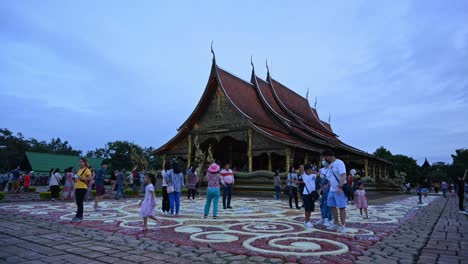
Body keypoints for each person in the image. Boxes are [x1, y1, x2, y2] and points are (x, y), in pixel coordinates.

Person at [322, 150, 348, 233]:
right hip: (332, 189)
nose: (325, 159)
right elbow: (331, 177)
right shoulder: (331, 165)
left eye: (325, 157)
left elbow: (344, 175)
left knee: (341, 207)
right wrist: (327, 185)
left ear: (328, 156)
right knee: (332, 206)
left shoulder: (339, 163)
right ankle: (336, 222)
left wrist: (340, 187)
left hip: (339, 188)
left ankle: (343, 225)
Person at [71, 158, 91, 223]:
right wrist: (74, 178)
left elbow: (89, 178)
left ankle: (78, 216)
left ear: (85, 163)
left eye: (81, 162)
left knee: (80, 202)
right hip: (77, 187)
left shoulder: (87, 170)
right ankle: (80, 216)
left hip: (83, 187)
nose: (79, 163)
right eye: (79, 162)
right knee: (78, 202)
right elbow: (77, 178)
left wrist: (82, 178)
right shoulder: (79, 170)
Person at [316, 160, 332, 226]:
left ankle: (328, 218)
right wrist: (321, 186)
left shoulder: (331, 169)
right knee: (321, 203)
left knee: (328, 203)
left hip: (329, 188)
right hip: (321, 189)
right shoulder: (321, 170)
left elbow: (331, 179)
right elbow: (318, 178)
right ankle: (323, 217)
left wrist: (327, 185)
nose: (323, 162)